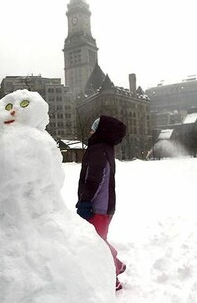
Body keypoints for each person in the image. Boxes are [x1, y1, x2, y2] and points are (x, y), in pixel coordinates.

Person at [76, 115, 127, 291]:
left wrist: (85, 202)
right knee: (98, 241)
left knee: (96, 244)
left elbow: (95, 179)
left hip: (97, 207)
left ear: (101, 132)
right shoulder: (105, 148)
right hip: (104, 206)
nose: (91, 131)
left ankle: (112, 278)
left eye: (94, 128)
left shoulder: (98, 150)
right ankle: (117, 264)